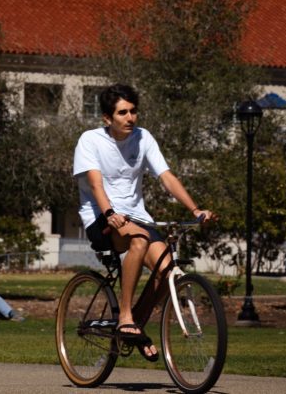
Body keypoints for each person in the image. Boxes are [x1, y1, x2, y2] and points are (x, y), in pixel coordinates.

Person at [73, 83, 213, 362]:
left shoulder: (143, 137)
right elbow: (96, 184)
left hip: (137, 217)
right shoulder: (90, 140)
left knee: (167, 269)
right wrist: (111, 213)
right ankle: (125, 316)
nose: (130, 117)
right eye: (122, 112)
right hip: (101, 216)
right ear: (107, 118)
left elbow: (167, 177)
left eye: (133, 111)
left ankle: (135, 324)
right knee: (138, 239)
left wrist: (195, 209)